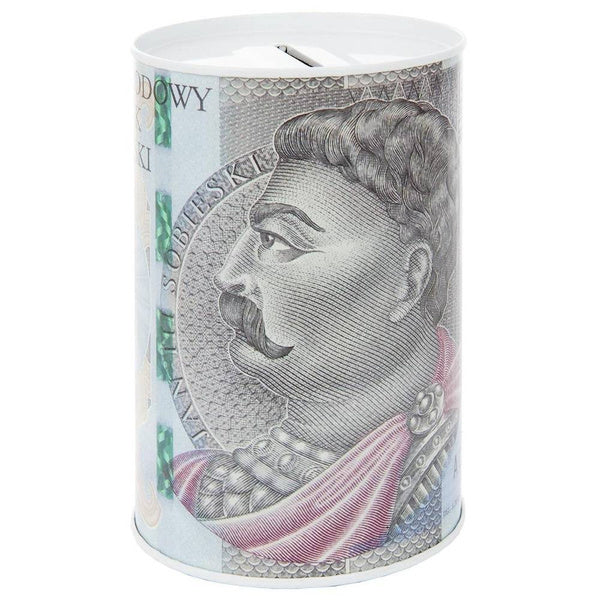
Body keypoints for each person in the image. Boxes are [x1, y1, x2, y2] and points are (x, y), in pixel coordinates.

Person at [173, 98, 460, 564]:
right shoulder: (189, 484)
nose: (228, 276)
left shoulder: (447, 459)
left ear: (409, 280)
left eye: (279, 241)